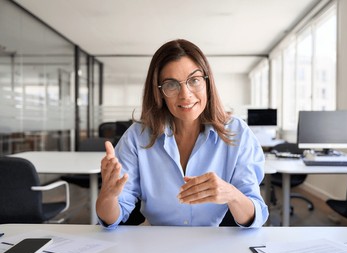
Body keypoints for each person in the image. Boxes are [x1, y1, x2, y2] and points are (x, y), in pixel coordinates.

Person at [96, 39, 269, 229]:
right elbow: (111, 219)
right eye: (171, 85)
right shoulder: (138, 137)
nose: (185, 95)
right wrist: (107, 196)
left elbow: (256, 216)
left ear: (207, 83)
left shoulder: (237, 133)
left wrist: (231, 194)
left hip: (213, 247)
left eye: (194, 80)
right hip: (157, 246)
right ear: (159, 92)